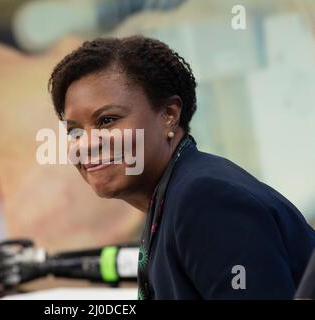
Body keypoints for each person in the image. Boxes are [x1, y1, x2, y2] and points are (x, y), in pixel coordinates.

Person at [48, 35, 315, 299]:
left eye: (107, 120)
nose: (87, 144)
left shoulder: (205, 199)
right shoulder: (172, 201)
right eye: (74, 131)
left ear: (169, 115)